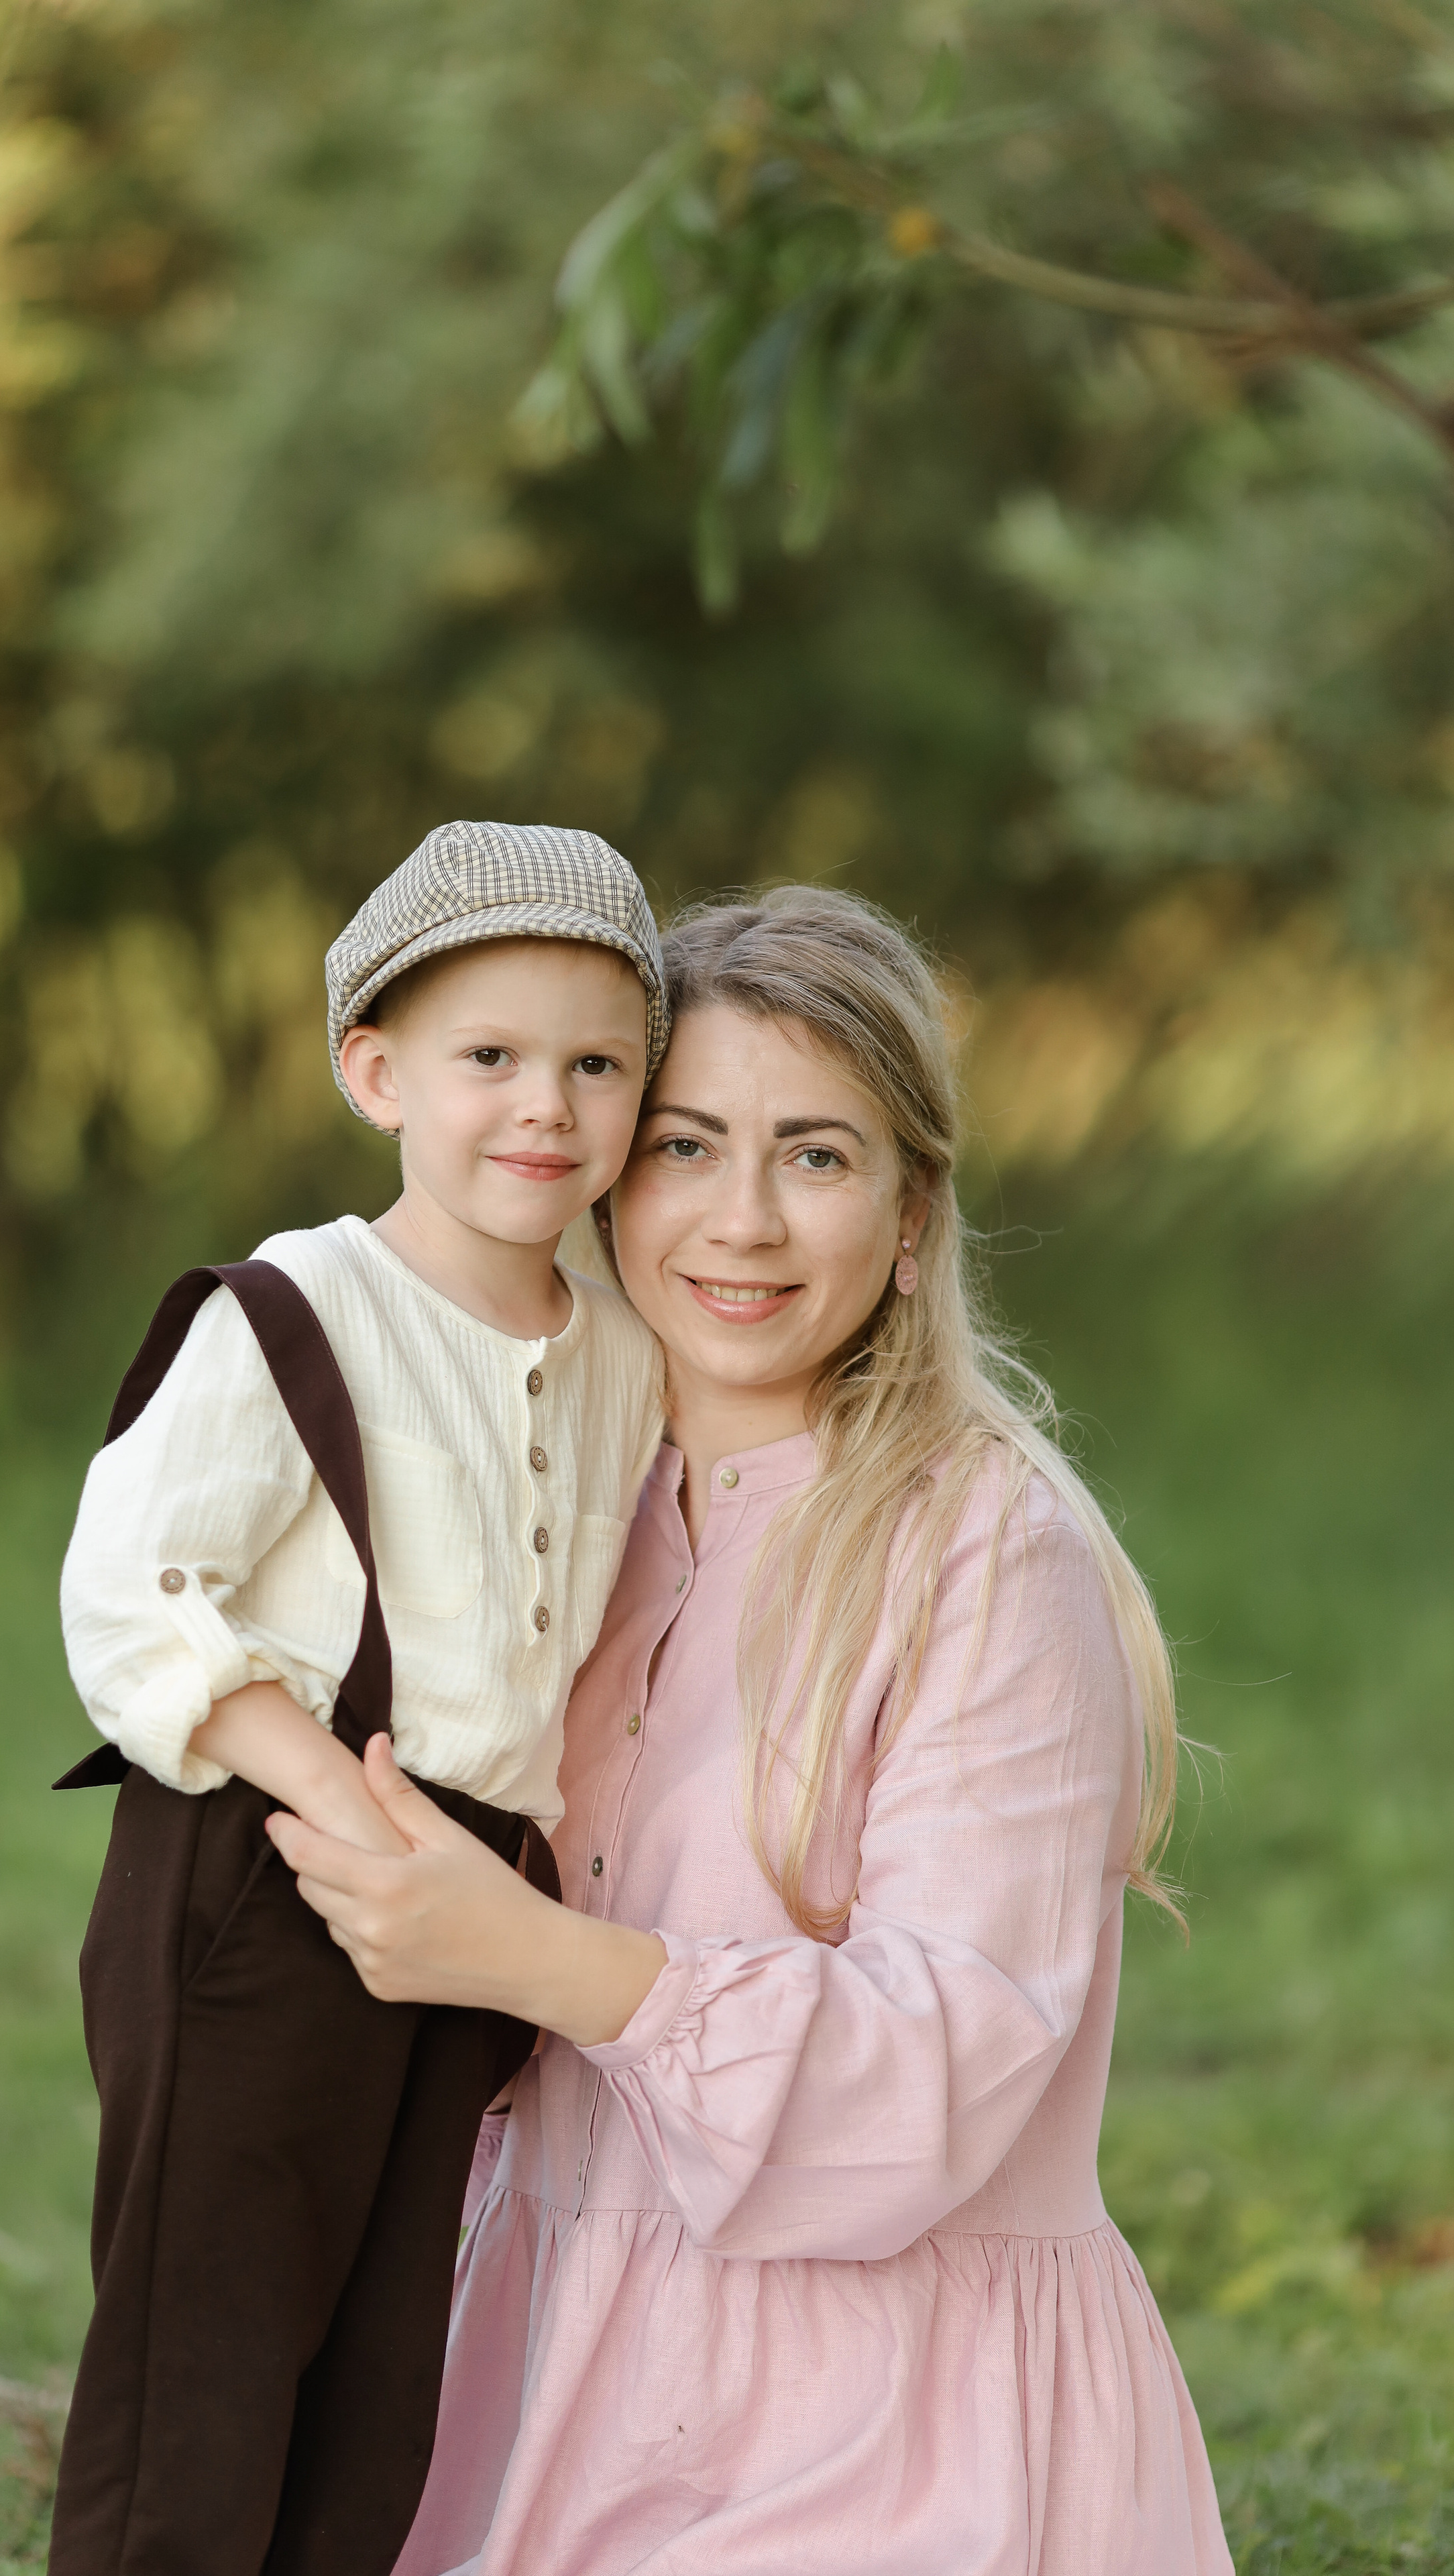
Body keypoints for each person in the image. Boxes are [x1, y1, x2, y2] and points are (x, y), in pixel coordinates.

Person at [268, 883, 1235, 2575]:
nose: (742, 1223)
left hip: (889, 2406)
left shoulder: (990, 1553)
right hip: (543, 2369)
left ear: (910, 1208)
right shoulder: (552, 1506)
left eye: (814, 1155)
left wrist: (532, 1953)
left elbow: (943, 2066)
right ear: (602, 1174)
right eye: (686, 1146)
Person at [48, 821, 670, 2576]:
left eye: (598, 1064)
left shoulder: (622, 1357)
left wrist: (487, 1883)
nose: (545, 1105)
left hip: (472, 1900)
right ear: (375, 1071)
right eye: (490, 1058)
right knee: (210, 2347)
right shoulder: (299, 1306)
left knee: (388, 2358)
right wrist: (331, 1799)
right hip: (266, 1854)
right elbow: (132, 1587)